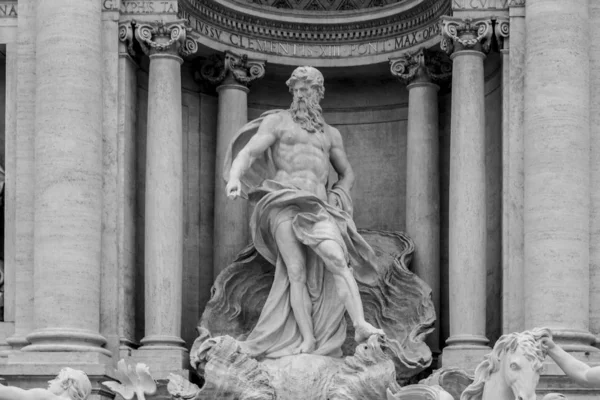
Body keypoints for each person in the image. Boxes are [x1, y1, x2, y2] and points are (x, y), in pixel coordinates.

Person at [225, 66, 384, 358]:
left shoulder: (330, 134)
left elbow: (347, 173)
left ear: (318, 93)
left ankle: (360, 323)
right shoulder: (277, 122)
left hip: (318, 207)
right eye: (296, 89)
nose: (300, 94)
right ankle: (308, 340)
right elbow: (248, 153)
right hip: (282, 201)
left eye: (306, 89)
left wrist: (339, 194)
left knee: (338, 259)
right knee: (294, 272)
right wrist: (235, 177)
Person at [0, 368, 92, 400]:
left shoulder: (46, 396)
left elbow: (2, 392)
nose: (50, 382)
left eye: (57, 379)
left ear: (66, 384)